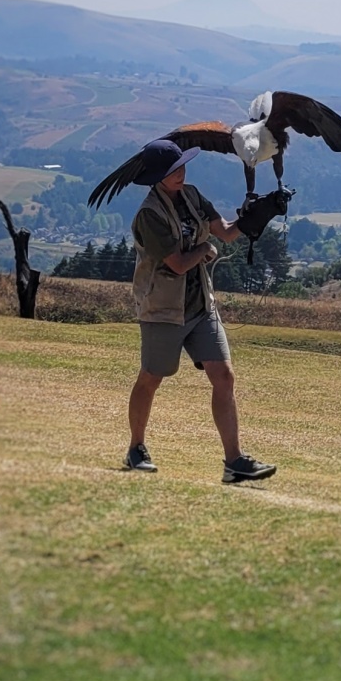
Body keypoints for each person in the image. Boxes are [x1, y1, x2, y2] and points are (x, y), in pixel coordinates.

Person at [123, 138, 283, 485]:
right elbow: (178, 264)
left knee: (224, 376)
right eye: (172, 171)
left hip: (200, 306)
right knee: (151, 378)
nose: (180, 173)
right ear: (156, 178)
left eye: (181, 166)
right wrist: (203, 249)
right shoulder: (149, 215)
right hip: (162, 309)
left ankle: (234, 462)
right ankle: (136, 448)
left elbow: (226, 233)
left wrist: (262, 212)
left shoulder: (193, 196)